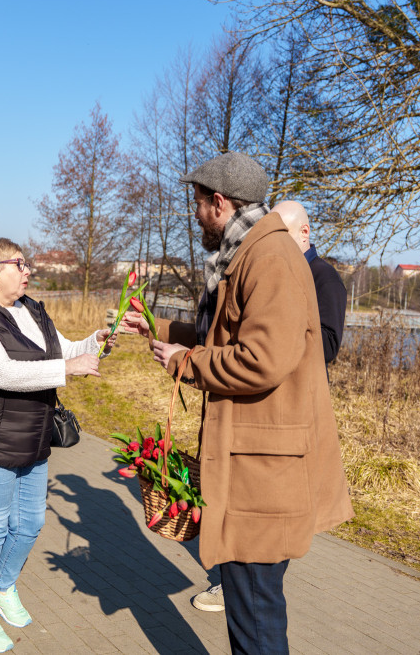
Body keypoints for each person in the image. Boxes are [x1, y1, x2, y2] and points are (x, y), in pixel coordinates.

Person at [122, 152, 354, 655]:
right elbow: (223, 335)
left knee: (255, 616)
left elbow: (261, 359)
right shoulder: (248, 253)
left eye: (199, 204)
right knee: (252, 608)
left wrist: (188, 363)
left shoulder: (267, 258)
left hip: (262, 471)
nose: (196, 214)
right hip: (255, 463)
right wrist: (159, 331)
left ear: (220, 202)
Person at [0, 237, 115, 653]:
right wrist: (67, 368)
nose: (28, 271)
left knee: (30, 523)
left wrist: (95, 341)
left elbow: (63, 351)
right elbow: (0, 372)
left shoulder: (31, 309)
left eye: (27, 265)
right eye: (20, 264)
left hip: (33, 436)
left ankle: (4, 587)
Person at [191, 199, 349, 613]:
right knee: (256, 594)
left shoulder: (311, 274)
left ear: (304, 233)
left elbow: (312, 348)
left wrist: (189, 362)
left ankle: (231, 585)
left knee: (258, 599)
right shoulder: (268, 261)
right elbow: (227, 337)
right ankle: (229, 584)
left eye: (285, 227)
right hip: (261, 428)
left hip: (275, 431)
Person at [273, 200, 347, 364]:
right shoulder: (275, 274)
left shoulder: (325, 277)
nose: (275, 244)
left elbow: (328, 346)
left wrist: (275, 324)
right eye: (272, 237)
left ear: (304, 232)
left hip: (305, 386)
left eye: (283, 235)